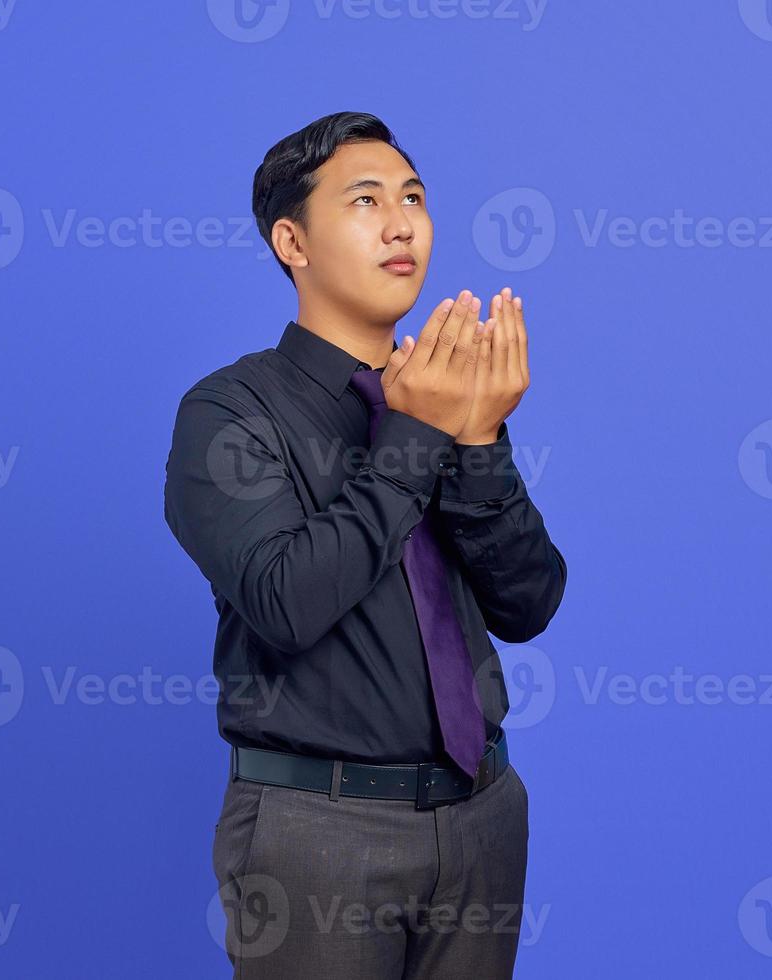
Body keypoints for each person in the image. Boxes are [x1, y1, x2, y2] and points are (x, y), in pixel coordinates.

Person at [162, 110, 567, 978]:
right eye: (366, 199)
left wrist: (481, 440)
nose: (402, 222)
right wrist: (416, 436)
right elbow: (286, 602)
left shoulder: (437, 393)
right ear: (292, 242)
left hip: (483, 817)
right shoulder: (228, 413)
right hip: (321, 833)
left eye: (415, 197)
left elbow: (529, 603)